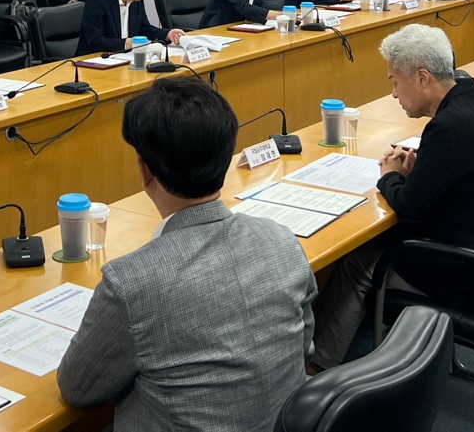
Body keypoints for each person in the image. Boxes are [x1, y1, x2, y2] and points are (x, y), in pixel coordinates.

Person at [58, 77, 317, 428]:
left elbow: (78, 389)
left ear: (145, 171)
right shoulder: (281, 240)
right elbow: (304, 348)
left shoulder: (131, 282)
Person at [312, 24, 474, 366]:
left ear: (423, 78)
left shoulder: (447, 126)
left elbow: (410, 207)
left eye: (395, 82)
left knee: (357, 262)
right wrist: (420, 172)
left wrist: (391, 176)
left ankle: (318, 366)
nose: (394, 94)